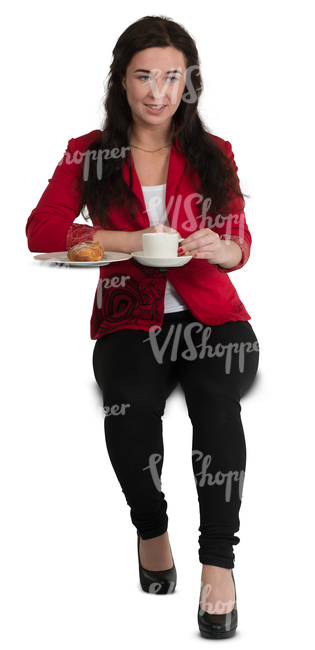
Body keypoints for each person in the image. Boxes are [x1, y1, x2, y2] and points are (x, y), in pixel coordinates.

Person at [26, 15, 259, 639]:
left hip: (215, 318)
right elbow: (41, 232)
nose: (158, 91)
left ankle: (219, 565)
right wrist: (129, 239)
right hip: (130, 317)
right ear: (121, 80)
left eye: (172, 77)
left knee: (216, 403)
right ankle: (151, 529)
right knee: (128, 408)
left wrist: (217, 244)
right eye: (144, 76)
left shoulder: (214, 154)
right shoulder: (88, 151)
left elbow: (241, 245)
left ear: (189, 83)